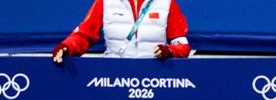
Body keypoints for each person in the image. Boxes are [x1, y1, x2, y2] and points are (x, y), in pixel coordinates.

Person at [52, 0, 190, 63]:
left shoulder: (166, 3)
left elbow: (182, 46)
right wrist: (67, 47)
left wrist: (169, 51)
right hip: (113, 76)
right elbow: (83, 35)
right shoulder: (105, 2)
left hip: (155, 77)